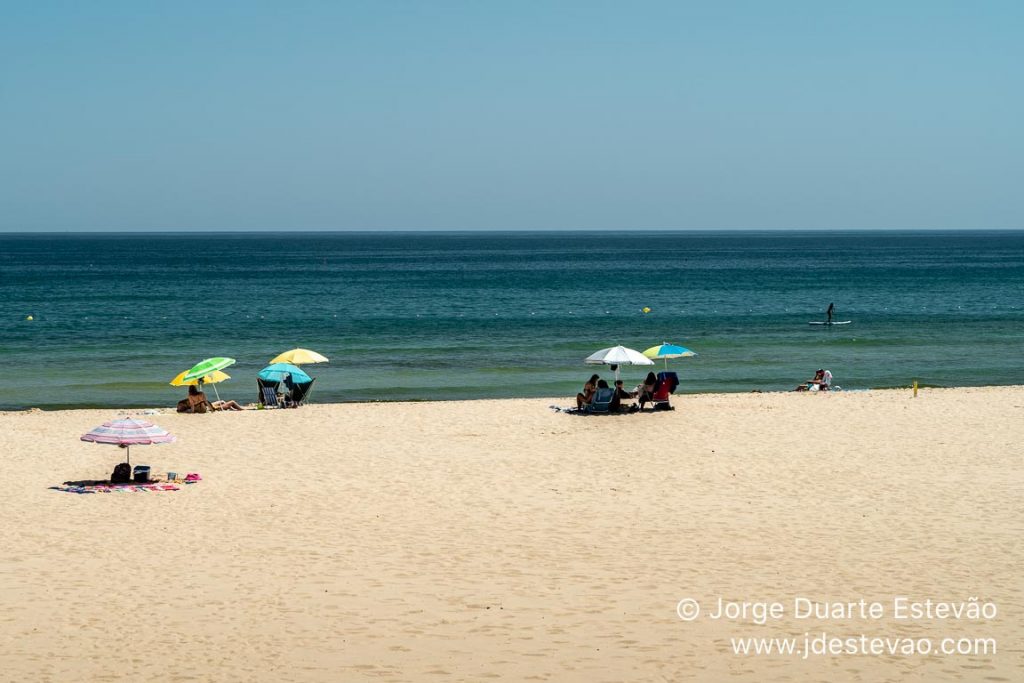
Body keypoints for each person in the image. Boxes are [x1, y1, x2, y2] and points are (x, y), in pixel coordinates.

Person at [179, 385, 244, 412]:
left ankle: (232, 410)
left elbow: (192, 405)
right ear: (195, 389)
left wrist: (192, 412)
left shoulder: (190, 396)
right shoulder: (201, 393)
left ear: (189, 390)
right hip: (208, 407)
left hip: (206, 407)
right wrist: (212, 410)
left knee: (222, 401)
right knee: (232, 402)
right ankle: (241, 409)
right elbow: (206, 402)